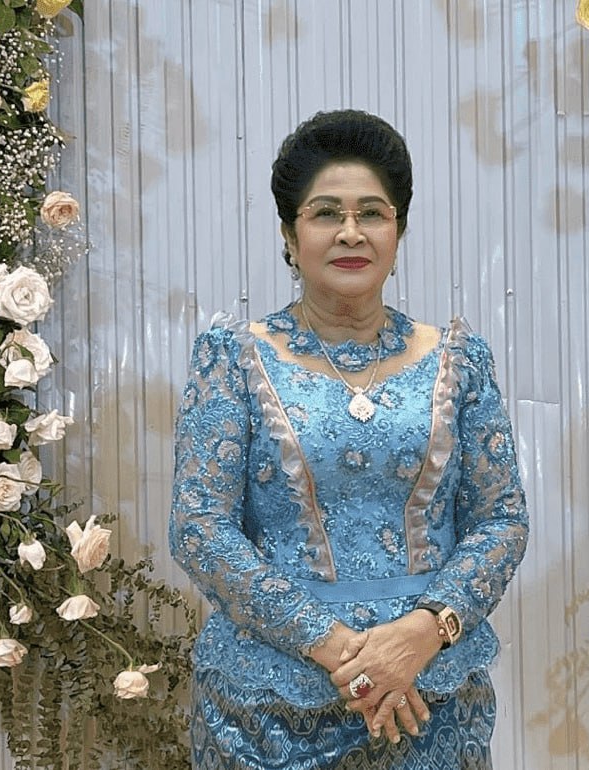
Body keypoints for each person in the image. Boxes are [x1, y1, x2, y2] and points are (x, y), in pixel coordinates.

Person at [170, 109, 529, 769]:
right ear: (289, 234)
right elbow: (199, 527)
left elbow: (501, 519)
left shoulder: (458, 358)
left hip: (433, 698)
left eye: (372, 213)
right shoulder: (234, 357)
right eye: (326, 213)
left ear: (399, 230)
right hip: (267, 711)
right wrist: (340, 650)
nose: (350, 232)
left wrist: (423, 633)